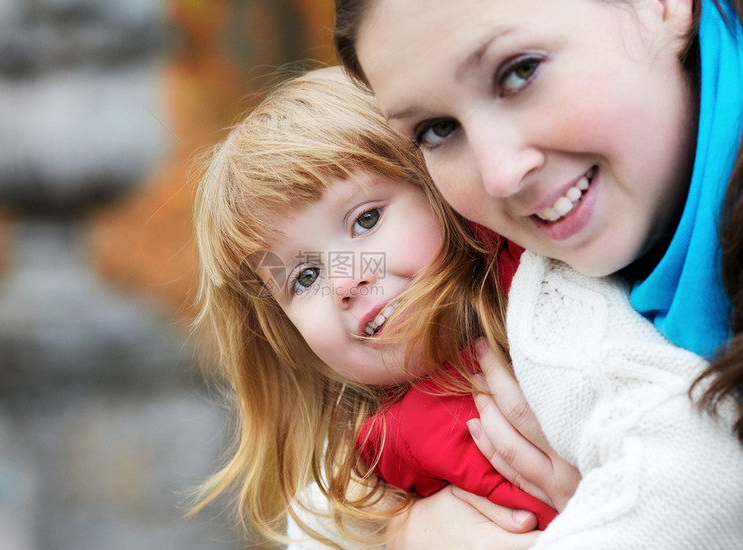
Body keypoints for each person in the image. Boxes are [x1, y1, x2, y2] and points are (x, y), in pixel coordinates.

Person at [332, 0, 743, 547]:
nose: (500, 174)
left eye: (520, 71)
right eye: (437, 129)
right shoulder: (502, 246)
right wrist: (396, 532)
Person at [190, 66, 553, 549]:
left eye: (365, 220)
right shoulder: (359, 485)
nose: (345, 280)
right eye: (306, 277)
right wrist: (406, 537)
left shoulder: (559, 286)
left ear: (439, 187)